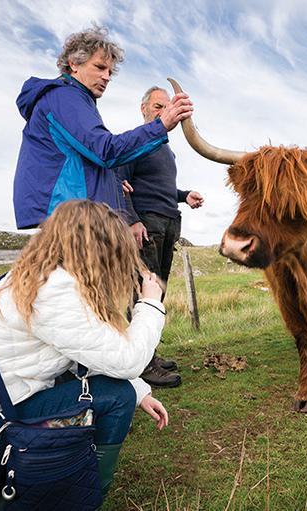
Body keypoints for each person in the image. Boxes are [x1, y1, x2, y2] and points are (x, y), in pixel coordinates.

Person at [0, 200, 169, 508]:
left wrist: (141, 391)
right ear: (98, 251)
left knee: (117, 390)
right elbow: (128, 360)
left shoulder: (32, 281)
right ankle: (80, 498)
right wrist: (150, 303)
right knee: (116, 396)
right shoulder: (55, 292)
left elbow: (83, 355)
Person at [12, 25, 193, 229]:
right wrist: (160, 126)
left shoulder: (78, 101)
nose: (107, 77)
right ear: (74, 64)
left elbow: (87, 158)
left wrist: (112, 184)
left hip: (78, 214)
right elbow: (105, 150)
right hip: (69, 217)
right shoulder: (65, 97)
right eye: (99, 67)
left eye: (110, 71)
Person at [117, 86, 205, 388]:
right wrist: (132, 221)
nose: (163, 111)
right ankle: (142, 363)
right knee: (145, 292)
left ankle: (148, 353)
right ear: (143, 109)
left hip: (168, 223)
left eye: (166, 106)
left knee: (158, 292)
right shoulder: (135, 142)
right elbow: (119, 181)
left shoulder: (165, 148)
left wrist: (184, 195)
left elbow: (160, 187)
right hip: (147, 225)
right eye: (157, 106)